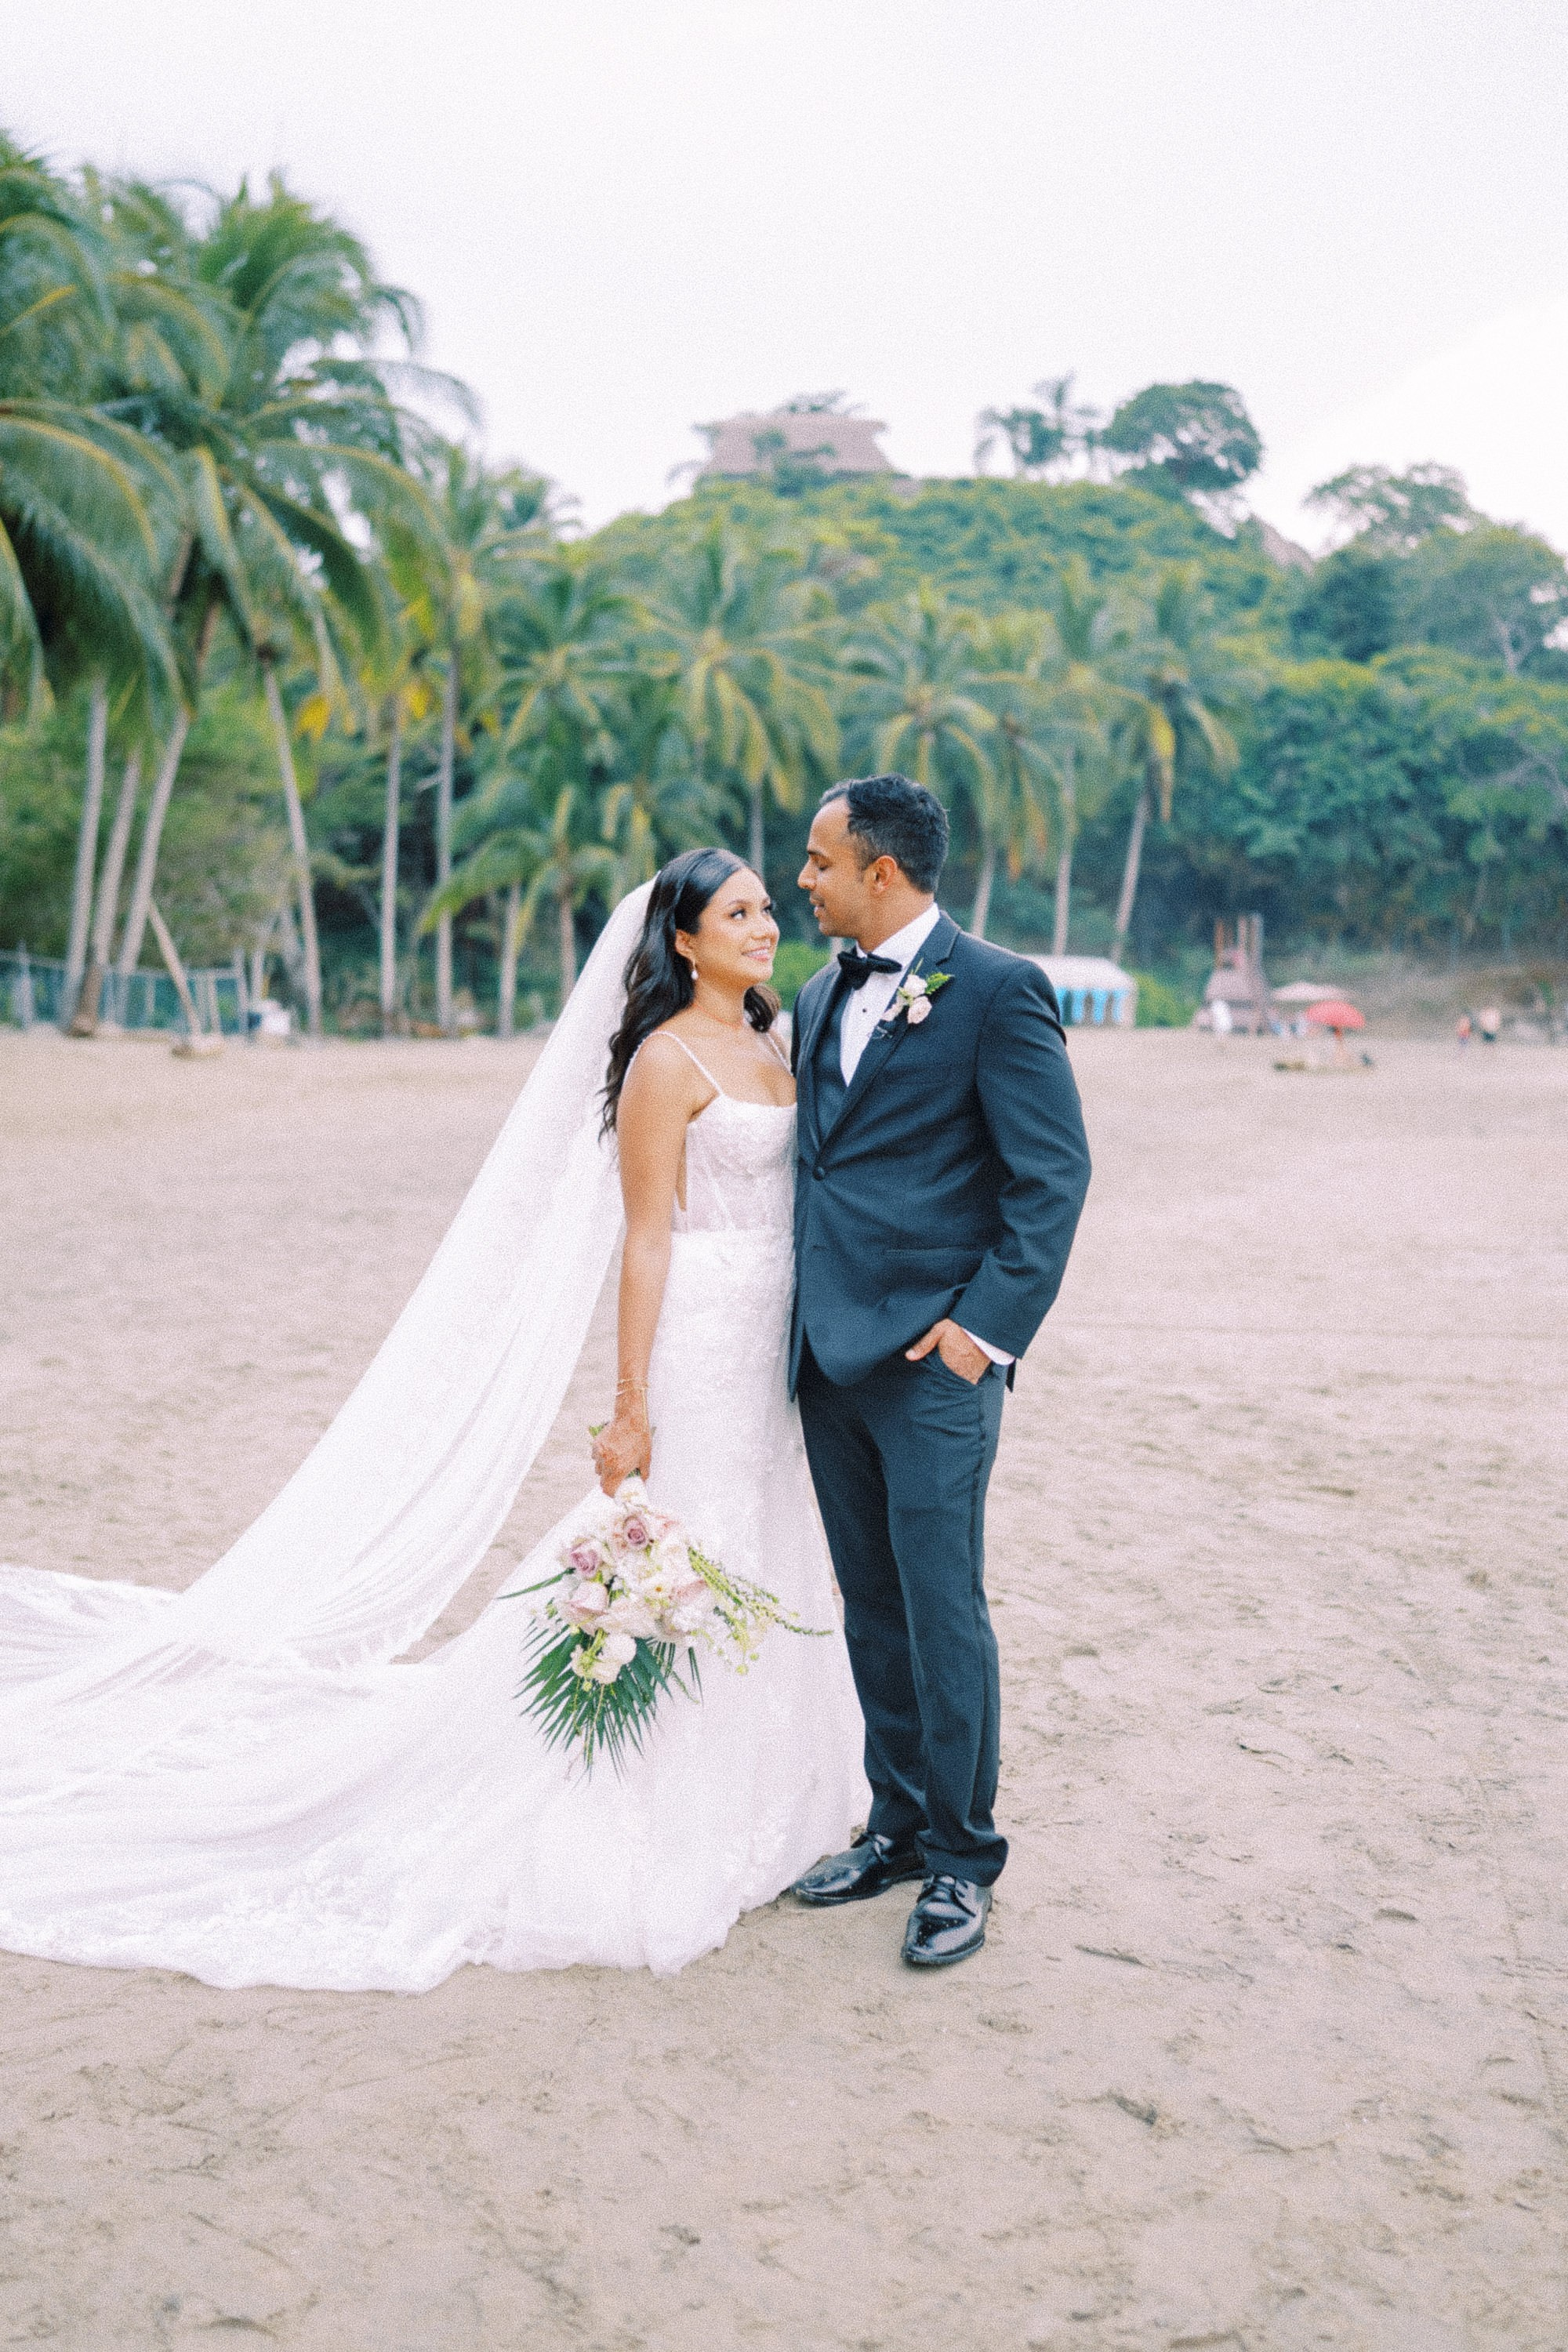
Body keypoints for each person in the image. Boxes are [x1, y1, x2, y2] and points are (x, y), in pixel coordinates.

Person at [0, 851, 866, 1990]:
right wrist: (627, 1407)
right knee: (698, 1538)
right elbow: (646, 1238)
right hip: (705, 1331)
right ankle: (656, 1807)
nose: (766, 925)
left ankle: (781, 1796)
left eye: (767, 907)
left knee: (778, 1533)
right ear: (685, 942)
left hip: (781, 1340)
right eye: (739, 912)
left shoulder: (772, 1039)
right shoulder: (664, 1061)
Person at [788, 776, 1091, 1968]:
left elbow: (1050, 1179)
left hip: (933, 1367)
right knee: (870, 1606)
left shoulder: (1000, 990)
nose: (801, 881)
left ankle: (965, 1862)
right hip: (826, 1361)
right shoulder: (817, 995)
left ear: (881, 869)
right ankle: (899, 1829)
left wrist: (980, 1334)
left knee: (943, 1609)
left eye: (818, 862)